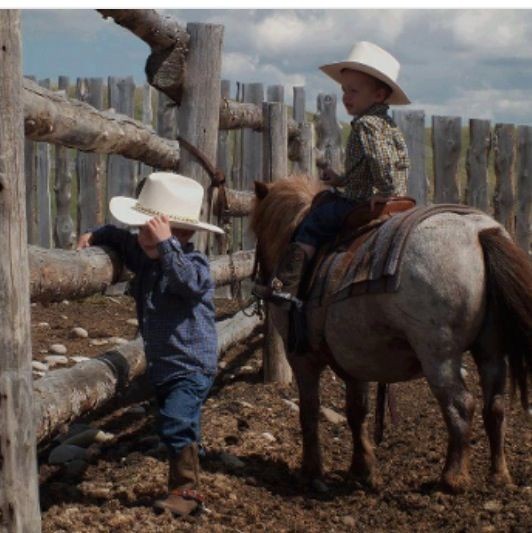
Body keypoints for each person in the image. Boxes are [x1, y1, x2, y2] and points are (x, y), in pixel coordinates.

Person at [77, 172, 224, 517]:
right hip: (167, 365)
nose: (141, 235)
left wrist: (167, 245)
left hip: (191, 365)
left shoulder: (193, 264)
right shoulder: (147, 258)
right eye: (142, 227)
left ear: (181, 234)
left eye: (150, 229)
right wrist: (97, 234)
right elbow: (122, 239)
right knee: (180, 420)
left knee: (175, 418)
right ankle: (189, 463)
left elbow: (187, 282)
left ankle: (186, 493)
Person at [254, 41, 411, 308]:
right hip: (395, 194)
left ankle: (287, 285)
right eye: (344, 90)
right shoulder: (388, 125)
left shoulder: (365, 125)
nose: (346, 97)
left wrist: (384, 193)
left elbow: (380, 162)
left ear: (379, 95)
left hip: (359, 201)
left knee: (312, 222)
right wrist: (340, 179)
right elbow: (394, 163)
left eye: (354, 91)